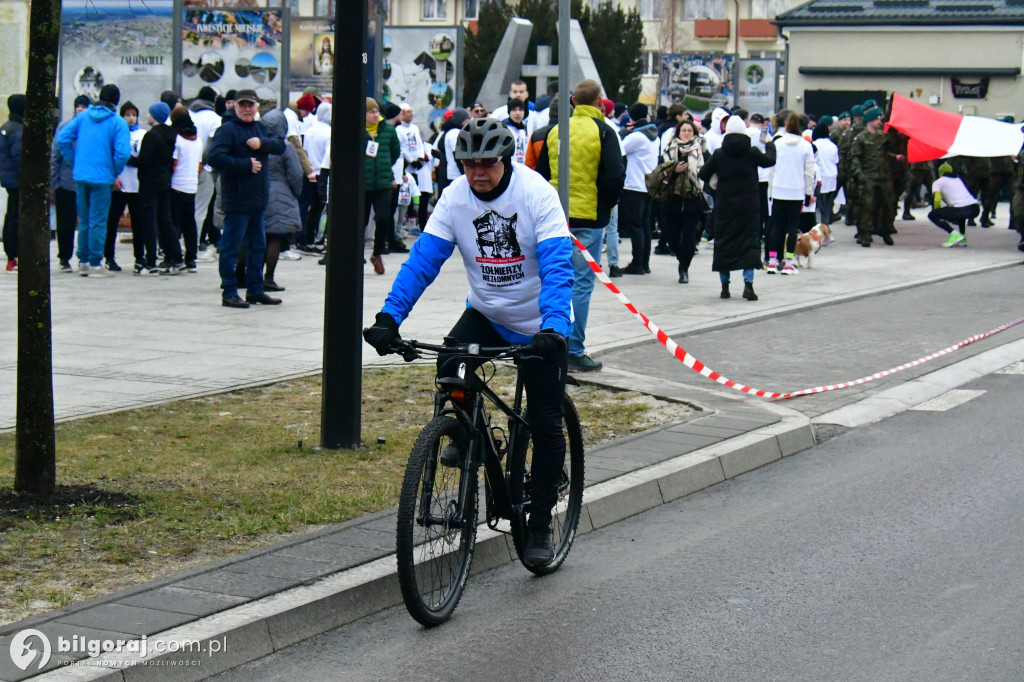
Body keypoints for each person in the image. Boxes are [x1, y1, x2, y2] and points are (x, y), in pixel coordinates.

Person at [362, 117, 573, 567]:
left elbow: (558, 267)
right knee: (449, 364)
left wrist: (555, 328)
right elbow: (423, 261)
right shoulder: (454, 199)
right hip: (488, 314)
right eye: (469, 163)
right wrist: (388, 317)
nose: (478, 172)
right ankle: (467, 431)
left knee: (546, 419)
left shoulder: (538, 195)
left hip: (541, 323)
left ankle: (537, 528)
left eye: (487, 163)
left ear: (506, 160)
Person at [535, 79, 625, 373]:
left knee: (551, 278)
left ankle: (545, 340)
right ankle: (573, 349)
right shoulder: (604, 132)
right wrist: (605, 207)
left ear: (574, 101)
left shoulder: (555, 131)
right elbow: (614, 176)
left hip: (554, 218)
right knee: (581, 284)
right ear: (600, 102)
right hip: (588, 217)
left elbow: (542, 175)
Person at [206, 89, 286, 308]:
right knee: (231, 248)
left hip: (258, 201)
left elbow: (280, 145)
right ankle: (229, 292)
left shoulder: (259, 128)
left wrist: (262, 143)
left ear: (257, 107)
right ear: (235, 107)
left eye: (251, 105)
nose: (247, 109)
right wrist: (245, 164)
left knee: (258, 246)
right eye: (243, 105)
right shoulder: (227, 130)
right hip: (236, 200)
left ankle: (255, 289)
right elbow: (214, 157)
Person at [56, 83, 131, 277]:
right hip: (102, 177)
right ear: (116, 100)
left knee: (84, 220)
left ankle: (83, 261)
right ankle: (96, 264)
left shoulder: (83, 117)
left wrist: (75, 161)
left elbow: (63, 139)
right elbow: (123, 153)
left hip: (81, 175)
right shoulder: (117, 122)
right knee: (99, 220)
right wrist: (113, 171)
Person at [698, 114, 775, 301]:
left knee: (724, 243)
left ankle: (725, 286)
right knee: (749, 243)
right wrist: (769, 143)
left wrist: (716, 182)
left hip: (725, 206)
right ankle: (748, 284)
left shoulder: (719, 154)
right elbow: (770, 160)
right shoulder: (752, 152)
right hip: (749, 206)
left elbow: (703, 173)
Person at [259, 109, 303, 291]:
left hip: (259, 192)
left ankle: (249, 275)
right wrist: (296, 192)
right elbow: (296, 174)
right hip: (281, 193)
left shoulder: (257, 144)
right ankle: (268, 278)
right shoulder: (285, 147)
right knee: (275, 238)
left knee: (257, 237)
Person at [135, 101, 181, 274]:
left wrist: (131, 159)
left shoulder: (151, 135)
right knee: (165, 220)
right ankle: (177, 257)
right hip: (165, 180)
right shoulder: (171, 134)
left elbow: (144, 161)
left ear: (154, 116)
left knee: (148, 221)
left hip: (149, 183)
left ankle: (151, 260)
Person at [768, 113, 815, 275]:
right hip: (796, 191)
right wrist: (809, 192)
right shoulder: (806, 146)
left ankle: (772, 261)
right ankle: (788, 261)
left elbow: (772, 169)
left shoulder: (778, 143)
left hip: (779, 188)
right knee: (792, 227)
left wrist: (771, 190)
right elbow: (809, 172)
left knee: (776, 225)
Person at [104, 101, 148, 274]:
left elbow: (142, 159)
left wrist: (130, 158)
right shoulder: (117, 133)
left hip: (136, 185)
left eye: (133, 115)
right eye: (127, 115)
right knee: (112, 221)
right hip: (120, 184)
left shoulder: (143, 134)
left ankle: (140, 257)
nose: (131, 119)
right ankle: (109, 256)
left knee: (138, 224)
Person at [660, 119, 706, 284]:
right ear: (678, 132)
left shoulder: (700, 149)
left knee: (688, 237)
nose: (686, 133)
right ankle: (682, 258)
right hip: (672, 198)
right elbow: (660, 169)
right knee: (671, 237)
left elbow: (705, 171)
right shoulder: (668, 149)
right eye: (683, 130)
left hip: (692, 199)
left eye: (689, 131)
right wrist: (674, 169)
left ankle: (684, 269)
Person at [51, 95, 91, 272]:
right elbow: (55, 156)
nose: (80, 109)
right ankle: (64, 258)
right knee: (65, 222)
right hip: (66, 182)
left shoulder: (92, 128)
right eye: (78, 106)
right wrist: (54, 183)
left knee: (88, 221)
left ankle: (87, 257)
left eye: (84, 106)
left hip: (88, 181)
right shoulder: (65, 127)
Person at [618, 103, 659, 275]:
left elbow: (619, 150)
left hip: (634, 185)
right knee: (646, 227)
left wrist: (625, 132)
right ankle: (645, 263)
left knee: (635, 227)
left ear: (632, 118)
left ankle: (637, 263)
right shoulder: (654, 136)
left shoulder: (636, 137)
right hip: (649, 186)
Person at [364, 97, 401, 275]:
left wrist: (385, 165)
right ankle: (356, 254)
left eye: (377, 111)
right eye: (371, 112)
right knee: (360, 221)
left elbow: (395, 152)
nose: (375, 114)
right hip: (363, 184)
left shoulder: (388, 129)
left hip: (384, 182)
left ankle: (377, 253)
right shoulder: (358, 130)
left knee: (384, 218)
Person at [849, 107, 895, 247]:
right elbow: (855, 158)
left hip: (883, 176)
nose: (879, 121)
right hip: (867, 177)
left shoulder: (882, 136)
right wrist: (859, 175)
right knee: (867, 206)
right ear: (870, 121)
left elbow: (888, 151)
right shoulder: (861, 138)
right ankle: (865, 234)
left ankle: (885, 229)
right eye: (877, 119)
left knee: (888, 204)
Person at [188, 85, 223, 260]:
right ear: (214, 100)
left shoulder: (189, 114)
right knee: (200, 210)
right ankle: (193, 246)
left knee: (185, 207)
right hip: (206, 169)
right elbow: (212, 146)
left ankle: (182, 243)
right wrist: (205, 163)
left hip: (185, 168)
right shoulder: (215, 119)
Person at [170, 106, 204, 272]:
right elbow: (199, 164)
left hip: (176, 185)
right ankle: (191, 258)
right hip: (191, 185)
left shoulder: (177, 139)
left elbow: (174, 164)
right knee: (189, 223)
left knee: (173, 223)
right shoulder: (197, 140)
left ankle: (175, 255)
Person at [395, 102, 434, 234]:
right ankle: (403, 225)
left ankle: (420, 224)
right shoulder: (398, 130)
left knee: (421, 196)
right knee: (406, 198)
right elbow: (401, 147)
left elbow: (419, 145)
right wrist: (410, 160)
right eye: (408, 112)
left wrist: (420, 158)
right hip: (407, 167)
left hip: (419, 166)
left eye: (412, 112)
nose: (411, 114)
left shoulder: (415, 129)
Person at [299, 101, 331, 252]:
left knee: (311, 209)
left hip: (309, 172)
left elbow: (304, 151)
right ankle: (319, 240)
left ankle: (307, 239)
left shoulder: (310, 130)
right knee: (321, 209)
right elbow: (328, 157)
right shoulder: (329, 132)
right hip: (322, 175)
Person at [0, 94, 25, 272]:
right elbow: (20, 158)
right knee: (16, 217)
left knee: (11, 215)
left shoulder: (6, 127)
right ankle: (13, 254)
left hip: (8, 178)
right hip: (17, 179)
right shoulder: (17, 130)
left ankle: (12, 255)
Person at [928, 163, 979, 247]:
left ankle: (954, 234)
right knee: (959, 213)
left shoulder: (938, 182)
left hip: (961, 210)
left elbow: (937, 199)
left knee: (932, 215)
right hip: (974, 208)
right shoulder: (958, 179)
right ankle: (962, 237)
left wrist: (937, 211)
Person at [503, 98, 529, 165]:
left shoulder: (524, 128)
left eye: (520, 110)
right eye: (514, 110)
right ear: (509, 112)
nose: (518, 113)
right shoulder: (504, 128)